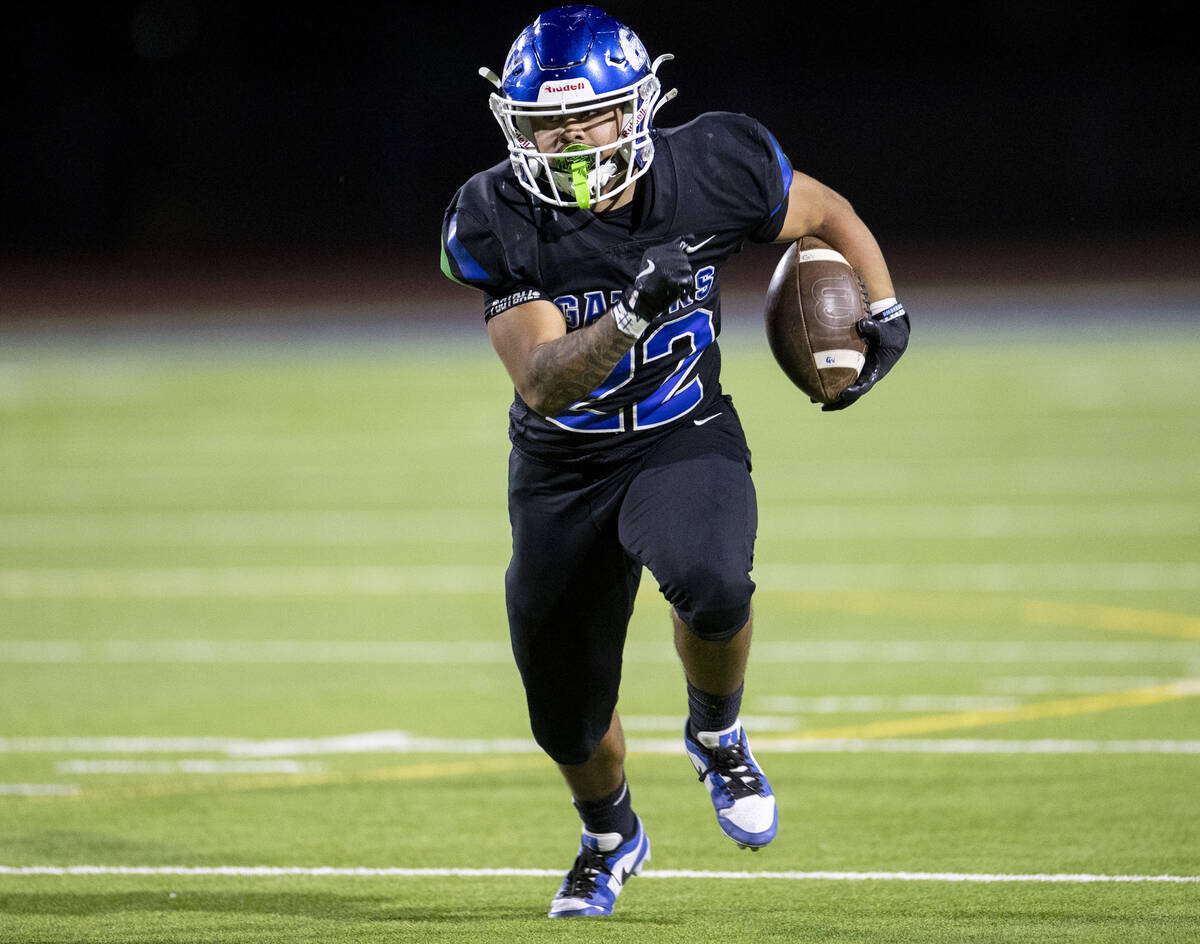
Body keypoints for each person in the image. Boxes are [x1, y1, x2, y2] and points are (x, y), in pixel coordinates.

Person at [439, 4, 909, 918]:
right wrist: (627, 315)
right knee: (564, 716)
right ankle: (610, 837)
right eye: (548, 125)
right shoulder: (494, 214)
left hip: (679, 432)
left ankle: (718, 734)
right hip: (562, 468)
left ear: (638, 108)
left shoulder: (713, 164)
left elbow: (826, 212)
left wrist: (884, 308)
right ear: (516, 130)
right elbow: (543, 382)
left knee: (714, 579)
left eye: (590, 116)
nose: (573, 140)